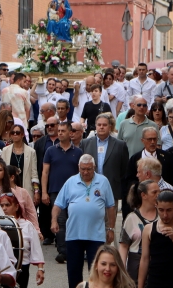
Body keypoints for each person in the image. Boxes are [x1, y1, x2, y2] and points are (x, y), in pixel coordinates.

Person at [52, 155, 116, 288]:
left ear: (94, 168)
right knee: (74, 271)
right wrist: (54, 220)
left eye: (89, 169)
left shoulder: (103, 181)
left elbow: (111, 206)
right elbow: (58, 204)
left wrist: (111, 228)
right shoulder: (71, 181)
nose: (86, 172)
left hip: (96, 235)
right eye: (83, 169)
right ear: (78, 168)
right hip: (74, 235)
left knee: (97, 272)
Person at [43, 122, 84, 262]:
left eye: (62, 131)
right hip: (56, 190)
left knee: (73, 220)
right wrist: (44, 192)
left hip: (75, 192)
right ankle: (63, 251)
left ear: (70, 133)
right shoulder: (50, 151)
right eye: (58, 130)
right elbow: (45, 172)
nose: (59, 133)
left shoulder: (78, 152)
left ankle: (73, 248)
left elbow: (82, 173)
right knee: (60, 220)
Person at [138, 190, 173, 288]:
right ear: (156, 207)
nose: (165, 215)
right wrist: (140, 286)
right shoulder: (149, 229)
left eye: (169, 210)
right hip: (155, 281)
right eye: (161, 210)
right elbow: (144, 259)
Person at [81, 114, 130, 207]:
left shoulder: (120, 145)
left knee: (110, 220)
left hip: (111, 188)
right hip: (90, 187)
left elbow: (124, 169)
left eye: (104, 125)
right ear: (95, 126)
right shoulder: (85, 143)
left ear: (110, 127)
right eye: (99, 125)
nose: (101, 127)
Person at [0, 194, 45, 288]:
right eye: (2, 205)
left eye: (7, 205)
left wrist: (40, 269)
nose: (4, 208)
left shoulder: (27, 225)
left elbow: (36, 248)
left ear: (16, 207)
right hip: (2, 269)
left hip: (22, 267)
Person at [118, 180, 158, 281]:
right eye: (154, 192)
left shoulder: (163, 216)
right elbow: (123, 246)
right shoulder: (131, 218)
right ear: (143, 195)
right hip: (135, 263)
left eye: (159, 192)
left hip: (156, 263)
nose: (158, 195)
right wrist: (121, 271)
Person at [34, 116, 61, 245]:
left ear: (58, 125)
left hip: (60, 179)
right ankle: (48, 235)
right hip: (44, 178)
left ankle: (60, 235)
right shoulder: (40, 142)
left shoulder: (64, 140)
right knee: (45, 208)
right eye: (47, 126)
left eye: (52, 125)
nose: (49, 127)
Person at [2, 124, 40, 203]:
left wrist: (36, 191)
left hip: (26, 186)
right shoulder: (5, 150)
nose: (15, 134)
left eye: (17, 132)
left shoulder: (31, 151)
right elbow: (4, 171)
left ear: (22, 134)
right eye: (13, 133)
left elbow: (34, 173)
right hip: (10, 187)